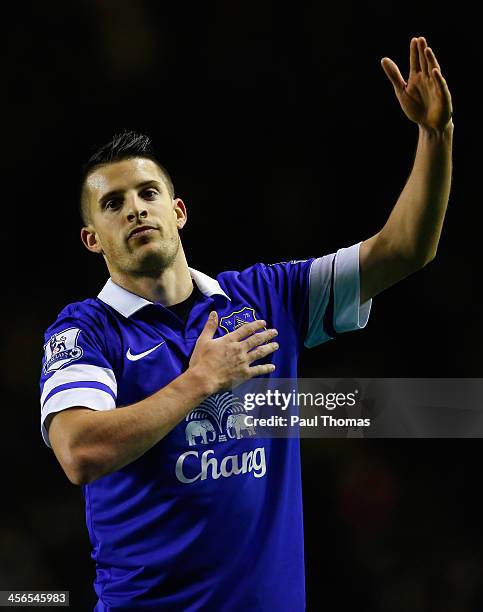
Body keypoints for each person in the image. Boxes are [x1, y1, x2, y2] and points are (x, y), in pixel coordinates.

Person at [40, 36, 453, 611]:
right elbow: (78, 452)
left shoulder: (264, 295)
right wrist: (198, 381)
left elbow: (404, 249)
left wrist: (434, 138)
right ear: (93, 239)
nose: (134, 208)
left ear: (177, 212)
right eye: (113, 204)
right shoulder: (85, 331)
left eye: (148, 193)